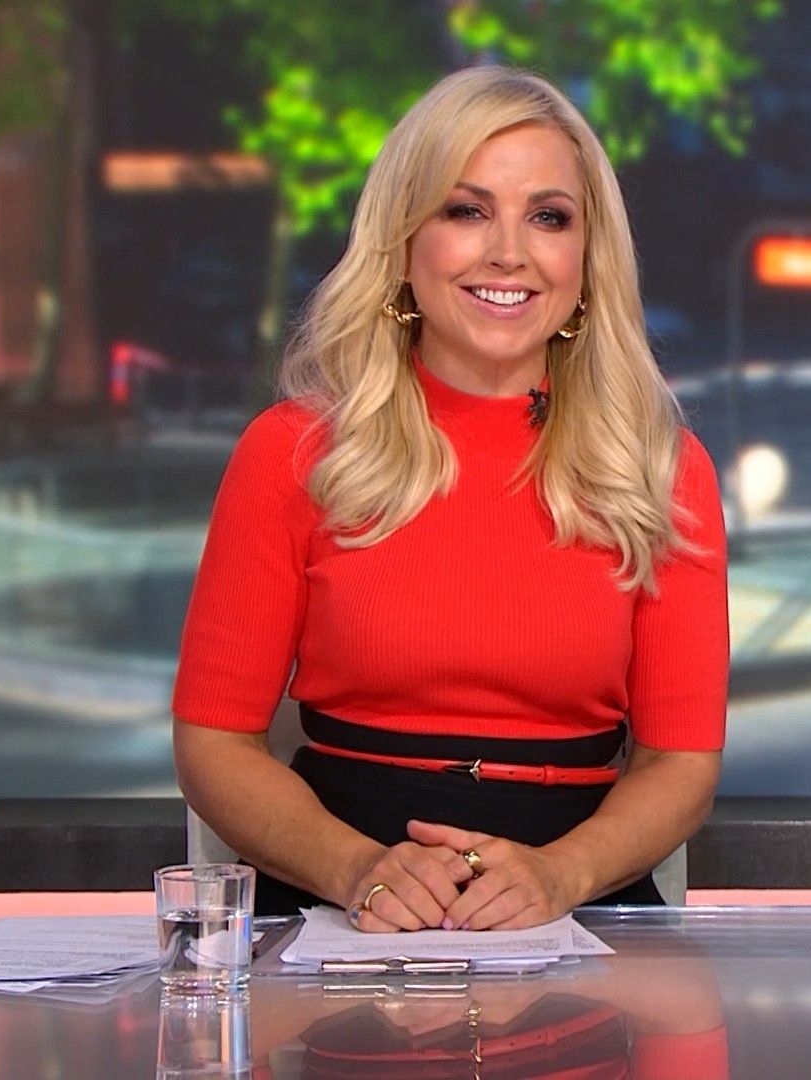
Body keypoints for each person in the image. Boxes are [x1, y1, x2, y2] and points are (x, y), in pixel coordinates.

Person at [171, 66, 727, 931]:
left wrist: (561, 876)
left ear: (587, 259)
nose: (508, 252)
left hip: (577, 898)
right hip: (337, 894)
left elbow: (680, 765)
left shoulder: (659, 467)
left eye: (548, 217)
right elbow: (214, 742)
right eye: (466, 211)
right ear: (403, 242)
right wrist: (357, 870)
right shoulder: (294, 451)